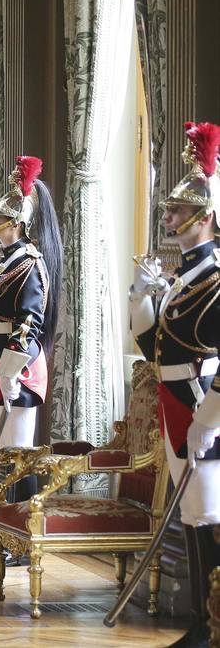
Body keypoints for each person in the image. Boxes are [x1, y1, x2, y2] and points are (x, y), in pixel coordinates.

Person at [0, 155, 62, 568]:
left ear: (17, 223)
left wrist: (13, 370)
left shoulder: (30, 264)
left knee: (16, 455)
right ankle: (6, 535)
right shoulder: (5, 262)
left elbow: (29, 322)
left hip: (15, 365)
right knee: (5, 452)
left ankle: (20, 540)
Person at [158, 123, 220, 646]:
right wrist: (142, 300)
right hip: (174, 402)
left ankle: (209, 625)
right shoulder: (186, 275)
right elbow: (159, 343)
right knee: (194, 515)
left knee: (206, 514)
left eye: (178, 211)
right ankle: (202, 622)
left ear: (205, 217)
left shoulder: (216, 276)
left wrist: (207, 418)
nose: (169, 217)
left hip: (201, 405)